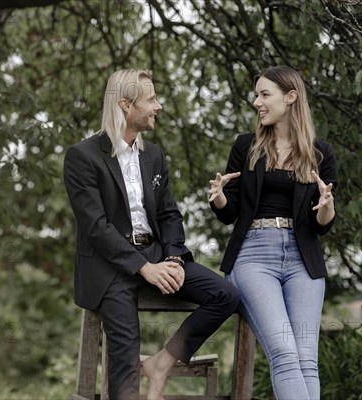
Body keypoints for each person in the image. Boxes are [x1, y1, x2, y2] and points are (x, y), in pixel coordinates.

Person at [63, 69, 239, 400]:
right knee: (126, 363)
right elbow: (96, 227)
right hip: (110, 267)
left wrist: (172, 258)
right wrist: (145, 269)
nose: (158, 106)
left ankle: (162, 363)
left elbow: (168, 213)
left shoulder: (153, 155)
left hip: (158, 253)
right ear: (126, 105)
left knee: (226, 296)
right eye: (152, 99)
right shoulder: (82, 157)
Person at [208, 66, 337, 400]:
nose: (257, 103)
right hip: (254, 255)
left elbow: (323, 224)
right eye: (256, 95)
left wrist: (326, 206)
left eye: (265, 94)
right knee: (284, 352)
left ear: (290, 97)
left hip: (302, 258)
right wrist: (221, 198)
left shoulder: (321, 154)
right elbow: (230, 212)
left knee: (307, 360)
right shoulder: (246, 146)